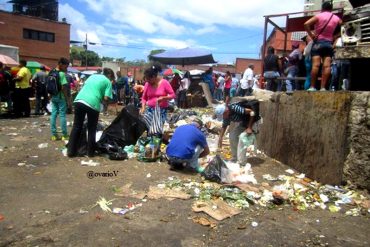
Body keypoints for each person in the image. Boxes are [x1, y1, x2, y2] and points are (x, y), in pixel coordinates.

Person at [67, 68, 114, 158]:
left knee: (77, 126)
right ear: (110, 76)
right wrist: (104, 106)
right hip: (93, 103)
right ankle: (90, 153)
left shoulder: (92, 76)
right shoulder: (108, 82)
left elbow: (86, 86)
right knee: (92, 129)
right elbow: (106, 98)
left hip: (79, 100)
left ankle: (71, 152)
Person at [304, 1, 342, 91]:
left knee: (315, 65)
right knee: (327, 66)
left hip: (318, 43)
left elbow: (306, 24)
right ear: (331, 9)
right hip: (328, 44)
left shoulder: (319, 16)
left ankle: (312, 87)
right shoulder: (336, 18)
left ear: (322, 8)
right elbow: (345, 26)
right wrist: (336, 36)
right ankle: (323, 87)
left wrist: (312, 35)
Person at [140, 64, 175, 134]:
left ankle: (158, 142)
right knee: (149, 128)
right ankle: (150, 142)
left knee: (158, 130)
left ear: (154, 77)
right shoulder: (147, 84)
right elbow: (144, 98)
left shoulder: (164, 83)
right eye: (146, 79)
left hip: (161, 111)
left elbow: (173, 95)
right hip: (150, 110)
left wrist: (164, 98)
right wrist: (143, 107)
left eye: (149, 79)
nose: (148, 81)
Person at [50, 58, 72, 141]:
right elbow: (63, 87)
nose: (66, 68)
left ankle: (54, 135)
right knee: (62, 115)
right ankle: (64, 134)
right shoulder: (61, 74)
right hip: (60, 97)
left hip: (53, 96)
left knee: (53, 114)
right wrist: (67, 99)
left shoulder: (51, 72)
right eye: (66, 66)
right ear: (61, 64)